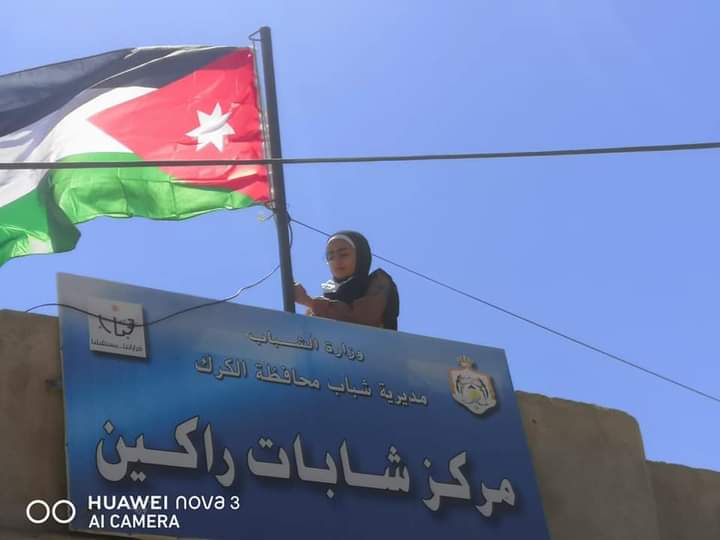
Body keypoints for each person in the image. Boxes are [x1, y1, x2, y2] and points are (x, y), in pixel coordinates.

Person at [294, 231, 400, 330]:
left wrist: (308, 301)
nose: (337, 261)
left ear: (360, 256)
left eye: (344, 254)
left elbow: (360, 319)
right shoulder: (324, 300)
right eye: (331, 257)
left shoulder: (379, 281)